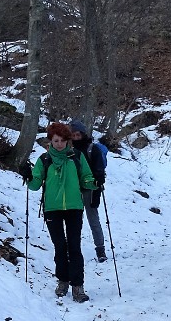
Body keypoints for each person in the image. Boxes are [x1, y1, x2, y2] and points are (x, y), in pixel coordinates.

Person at [20, 122, 98, 302]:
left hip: (74, 208)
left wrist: (96, 181)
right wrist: (28, 175)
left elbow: (86, 179)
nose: (60, 144)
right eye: (56, 140)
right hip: (52, 209)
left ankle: (78, 286)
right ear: (51, 141)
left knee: (74, 246)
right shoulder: (44, 160)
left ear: (68, 141)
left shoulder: (77, 157)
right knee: (59, 247)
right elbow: (35, 185)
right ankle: (63, 281)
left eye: (63, 140)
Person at [68, 121, 108, 263]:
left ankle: (100, 249)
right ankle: (74, 249)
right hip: (73, 190)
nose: (75, 137)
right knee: (75, 221)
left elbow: (99, 171)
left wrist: (97, 187)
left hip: (90, 189)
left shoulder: (92, 149)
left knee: (93, 219)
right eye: (72, 135)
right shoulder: (68, 150)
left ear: (83, 134)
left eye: (77, 134)